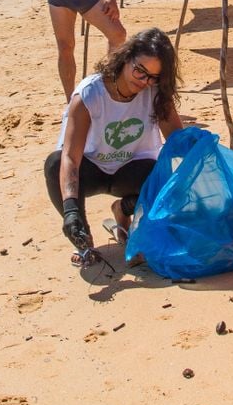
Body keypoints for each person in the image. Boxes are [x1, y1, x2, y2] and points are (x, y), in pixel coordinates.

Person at [44, 28, 184, 263]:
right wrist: (70, 210)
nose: (144, 81)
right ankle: (83, 240)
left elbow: (179, 142)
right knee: (54, 164)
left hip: (132, 171)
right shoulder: (90, 93)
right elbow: (70, 157)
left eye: (153, 77)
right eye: (140, 71)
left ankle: (124, 210)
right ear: (126, 57)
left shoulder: (155, 93)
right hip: (92, 169)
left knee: (166, 173)